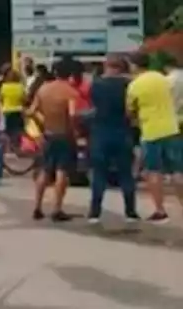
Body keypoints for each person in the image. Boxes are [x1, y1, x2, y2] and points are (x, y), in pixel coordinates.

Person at [128, 52, 180, 223]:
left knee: (154, 171)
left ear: (134, 65)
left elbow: (129, 111)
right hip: (172, 129)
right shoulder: (163, 78)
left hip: (151, 132)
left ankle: (160, 210)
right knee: (177, 171)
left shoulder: (134, 85)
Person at [87, 55, 139, 223]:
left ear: (106, 66)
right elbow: (132, 108)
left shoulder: (96, 84)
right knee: (126, 173)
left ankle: (95, 212)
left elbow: (93, 105)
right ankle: (130, 212)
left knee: (99, 174)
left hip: (101, 131)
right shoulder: (128, 84)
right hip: (122, 131)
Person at [28, 64, 80, 222]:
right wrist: (75, 132)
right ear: (70, 75)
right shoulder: (70, 92)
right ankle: (57, 208)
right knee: (61, 171)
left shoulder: (43, 89)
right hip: (64, 135)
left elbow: (31, 111)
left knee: (44, 170)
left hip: (48, 134)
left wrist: (41, 124)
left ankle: (37, 206)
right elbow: (72, 115)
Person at [0, 66, 27, 144]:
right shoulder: (20, 87)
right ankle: (17, 144)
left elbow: (1, 99)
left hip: (7, 111)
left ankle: (10, 146)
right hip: (18, 111)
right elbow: (24, 99)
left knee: (8, 131)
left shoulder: (4, 87)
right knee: (18, 130)